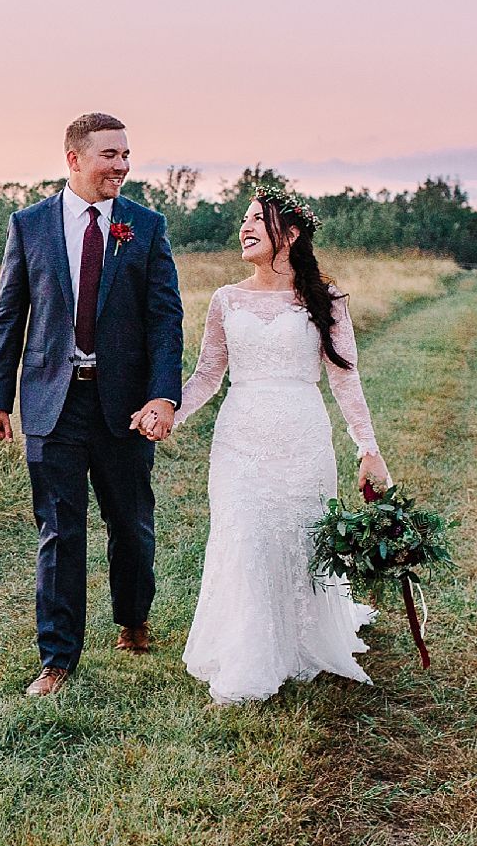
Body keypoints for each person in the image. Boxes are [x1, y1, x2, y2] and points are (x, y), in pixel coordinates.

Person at [138, 186, 390, 703]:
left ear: (290, 235)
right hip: (241, 438)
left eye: (257, 219)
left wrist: (367, 447)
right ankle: (249, 655)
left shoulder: (326, 300)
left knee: (300, 539)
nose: (245, 227)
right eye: (244, 219)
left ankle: (302, 639)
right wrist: (169, 413)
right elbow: (208, 374)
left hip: (303, 435)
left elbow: (345, 379)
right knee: (246, 535)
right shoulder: (226, 299)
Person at [0, 113, 184, 697]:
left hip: (125, 404)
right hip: (53, 401)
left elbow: (164, 319)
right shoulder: (29, 225)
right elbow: (9, 316)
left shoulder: (146, 226)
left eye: (126, 154)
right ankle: (57, 658)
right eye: (109, 155)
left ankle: (133, 617)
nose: (122, 165)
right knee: (59, 531)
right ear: (74, 159)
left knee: (131, 522)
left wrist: (162, 395)